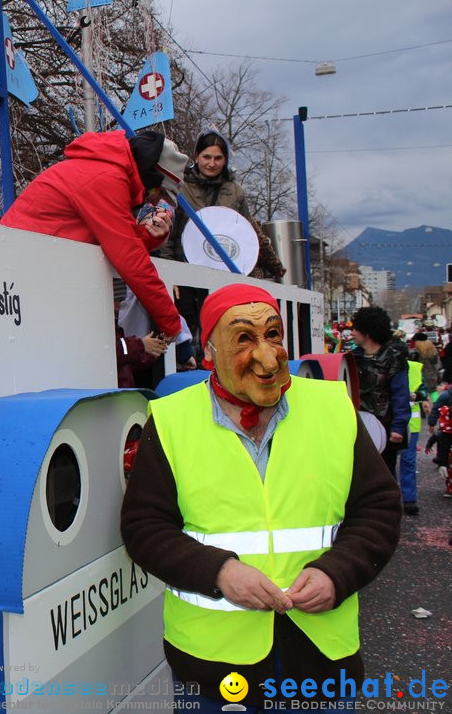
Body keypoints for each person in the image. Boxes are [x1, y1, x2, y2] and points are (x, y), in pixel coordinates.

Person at [121, 283, 401, 712]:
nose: (268, 356)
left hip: (321, 662)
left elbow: (378, 510)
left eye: (273, 335)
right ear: (209, 351)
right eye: (245, 339)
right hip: (214, 667)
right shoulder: (173, 422)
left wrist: (336, 574)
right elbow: (145, 528)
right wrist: (219, 572)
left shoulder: (331, 409)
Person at [0, 129, 187, 340]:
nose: (155, 202)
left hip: (29, 271)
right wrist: (173, 325)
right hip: (19, 274)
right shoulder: (107, 178)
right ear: (151, 175)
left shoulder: (104, 171)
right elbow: (129, 258)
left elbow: (119, 243)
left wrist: (153, 236)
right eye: (160, 193)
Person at [161, 130, 285, 283]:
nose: (212, 163)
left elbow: (249, 235)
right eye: (207, 157)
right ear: (197, 157)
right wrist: (171, 274)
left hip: (226, 275)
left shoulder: (235, 192)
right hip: (188, 274)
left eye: (218, 158)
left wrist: (274, 267)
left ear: (225, 160)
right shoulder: (180, 188)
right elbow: (166, 235)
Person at [350, 307, 410, 478]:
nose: (352, 332)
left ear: (367, 332)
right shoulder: (352, 358)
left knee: (384, 476)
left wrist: (398, 427)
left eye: (355, 328)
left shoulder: (394, 359)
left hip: (385, 426)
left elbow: (400, 395)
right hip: (359, 427)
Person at [396, 358, 424, 515]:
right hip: (390, 423)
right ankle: (390, 500)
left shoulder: (414, 368)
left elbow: (425, 391)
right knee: (387, 462)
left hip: (411, 425)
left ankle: (409, 500)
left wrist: (418, 395)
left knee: (408, 461)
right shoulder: (383, 364)